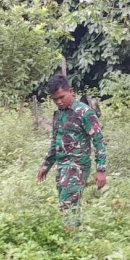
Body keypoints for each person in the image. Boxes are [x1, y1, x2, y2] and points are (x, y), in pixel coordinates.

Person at [36, 74, 107, 229]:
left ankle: (69, 236)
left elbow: (99, 140)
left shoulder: (85, 112)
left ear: (71, 91)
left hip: (77, 166)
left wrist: (101, 169)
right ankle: (77, 234)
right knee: (69, 205)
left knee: (67, 205)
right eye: (55, 99)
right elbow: (55, 141)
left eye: (61, 97)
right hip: (62, 165)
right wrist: (46, 165)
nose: (59, 102)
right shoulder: (58, 114)